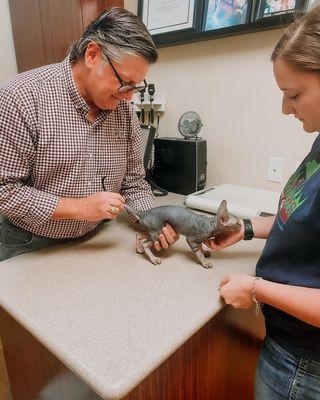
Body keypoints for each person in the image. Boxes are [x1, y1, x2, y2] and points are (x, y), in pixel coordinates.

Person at [205, 5, 320, 399]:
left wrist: (256, 289)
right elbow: (303, 213)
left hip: (304, 366)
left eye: (293, 94)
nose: (285, 109)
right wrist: (249, 229)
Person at [0, 7, 178, 262]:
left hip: (97, 238)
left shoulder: (124, 110)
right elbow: (5, 191)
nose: (129, 96)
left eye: (136, 86)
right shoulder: (21, 98)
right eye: (125, 83)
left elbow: (134, 183)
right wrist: (80, 208)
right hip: (28, 243)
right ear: (93, 54)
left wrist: (154, 218)